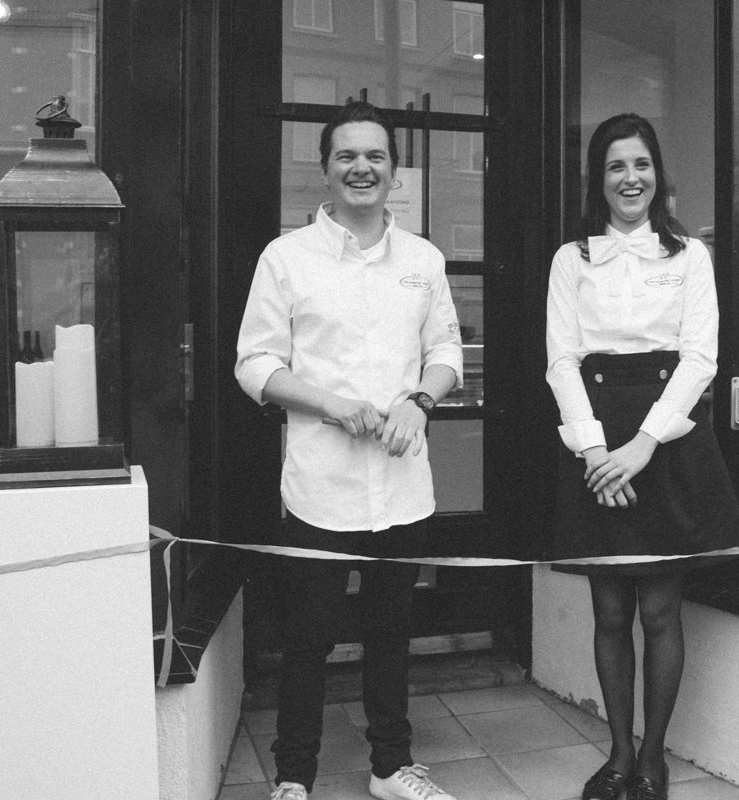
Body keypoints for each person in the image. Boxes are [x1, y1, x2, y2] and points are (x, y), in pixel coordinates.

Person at [235, 100, 463, 800]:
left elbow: (446, 352)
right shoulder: (285, 258)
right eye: (347, 156)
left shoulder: (423, 260)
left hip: (401, 488)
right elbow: (253, 364)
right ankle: (294, 776)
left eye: (375, 156)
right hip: (321, 487)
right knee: (308, 639)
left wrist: (419, 402)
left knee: (391, 634)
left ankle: (391, 767)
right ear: (325, 169)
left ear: (395, 170)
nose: (361, 168)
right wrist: (330, 404)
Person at [544, 113, 739, 800]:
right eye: (615, 166)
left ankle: (654, 759)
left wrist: (642, 446)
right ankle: (619, 754)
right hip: (597, 439)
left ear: (657, 174)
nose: (629, 178)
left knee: (661, 612)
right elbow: (562, 360)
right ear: (598, 180)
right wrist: (595, 450)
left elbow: (700, 359)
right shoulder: (572, 259)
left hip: (667, 439)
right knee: (609, 612)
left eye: (640, 164)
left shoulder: (689, 256)